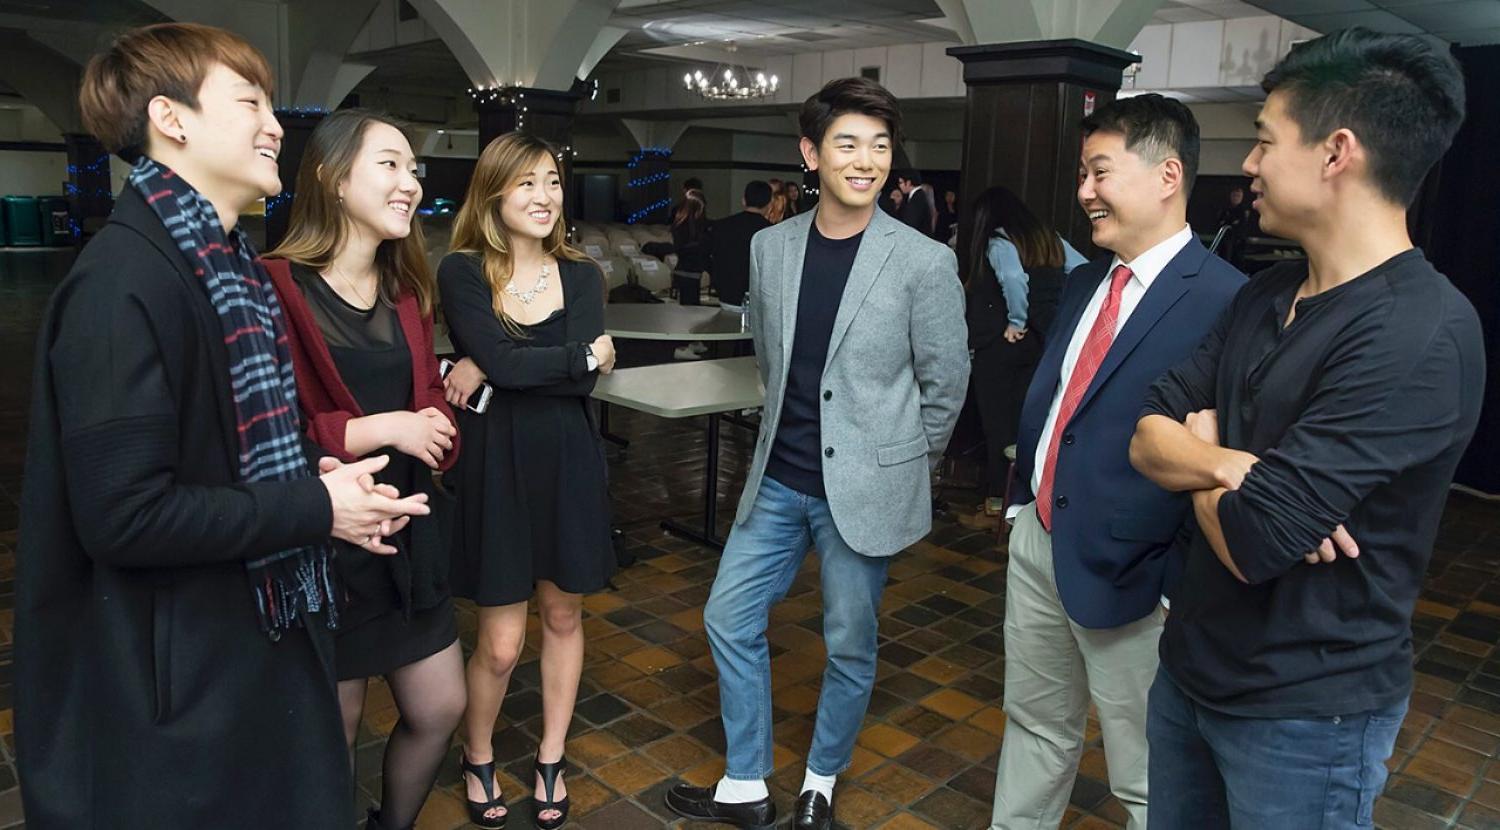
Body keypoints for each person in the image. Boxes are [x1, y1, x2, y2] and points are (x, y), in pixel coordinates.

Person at [14, 23, 431, 830]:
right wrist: (317, 510)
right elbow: (125, 516)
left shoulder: (223, 263)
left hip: (239, 647)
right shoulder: (124, 284)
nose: (275, 124)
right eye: (250, 102)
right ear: (171, 120)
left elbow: (219, 453)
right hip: (180, 690)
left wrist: (314, 476)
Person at [1130, 29, 1477, 828]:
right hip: (1189, 673)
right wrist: (1233, 467)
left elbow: (1257, 543)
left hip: (1306, 717)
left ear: (1336, 153)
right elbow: (1146, 434)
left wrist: (1207, 456)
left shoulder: (1416, 334)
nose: (1248, 165)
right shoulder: (1265, 292)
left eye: (1263, 140)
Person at [665, 77, 970, 830]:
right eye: (847, 144)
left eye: (879, 146)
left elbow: (946, 383)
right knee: (728, 617)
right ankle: (744, 784)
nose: (865, 161)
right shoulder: (772, 247)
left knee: (848, 641)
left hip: (864, 490)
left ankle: (819, 784)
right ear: (811, 154)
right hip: (776, 478)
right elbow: (773, 355)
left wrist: (899, 466)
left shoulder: (922, 261)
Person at [988, 94, 1245, 830]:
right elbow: (1056, 405)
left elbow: (1218, 456)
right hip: (1040, 544)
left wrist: (1173, 585)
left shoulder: (1227, 301)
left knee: (1147, 770)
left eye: (1099, 172)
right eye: (1080, 172)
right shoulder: (1081, 283)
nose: (1083, 192)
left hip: (1139, 577)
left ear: (1168, 175)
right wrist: (1022, 505)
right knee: (1035, 725)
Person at [263, 108, 465, 830]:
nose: (410, 182)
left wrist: (436, 429)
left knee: (441, 706)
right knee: (332, 733)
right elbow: (260, 430)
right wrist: (377, 430)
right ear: (331, 177)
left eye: (413, 168)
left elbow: (429, 401)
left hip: (406, 536)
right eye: (390, 163)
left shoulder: (406, 292)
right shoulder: (275, 287)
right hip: (326, 542)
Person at [438, 131, 617, 830]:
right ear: (494, 194)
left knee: (565, 615)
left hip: (567, 459)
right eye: (526, 183)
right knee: (502, 641)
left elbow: (562, 382)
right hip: (498, 465)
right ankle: (476, 753)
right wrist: (573, 355)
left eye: (552, 181)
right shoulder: (462, 271)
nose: (543, 196)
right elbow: (543, 368)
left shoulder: (583, 275)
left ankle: (551, 756)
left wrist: (503, 358)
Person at [959, 185, 1088, 528]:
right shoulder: (1048, 237)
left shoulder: (999, 241)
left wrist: (1016, 319)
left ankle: (995, 507)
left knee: (997, 423)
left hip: (1003, 346)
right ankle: (1020, 503)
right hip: (1041, 344)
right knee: (1026, 422)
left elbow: (1013, 278)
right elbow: (1084, 269)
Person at [707, 179, 773, 314]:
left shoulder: (721, 226)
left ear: (743, 200)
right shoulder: (772, 232)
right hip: (759, 300)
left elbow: (706, 256)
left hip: (726, 296)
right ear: (769, 204)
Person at [670, 190, 713, 358]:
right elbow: (684, 248)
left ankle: (693, 341)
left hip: (692, 270)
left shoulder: (693, 225)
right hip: (687, 270)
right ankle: (682, 346)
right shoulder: (685, 226)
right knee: (687, 311)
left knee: (693, 309)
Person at [1213, 186, 1254, 269]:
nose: (1236, 198)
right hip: (1225, 241)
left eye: (1238, 196)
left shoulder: (1244, 210)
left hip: (1238, 242)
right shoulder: (1225, 209)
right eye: (1234, 196)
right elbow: (1220, 222)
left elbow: (1241, 224)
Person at [896, 170, 936, 237]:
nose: (900, 186)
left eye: (901, 182)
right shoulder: (919, 195)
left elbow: (911, 224)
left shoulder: (917, 198)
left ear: (908, 182)